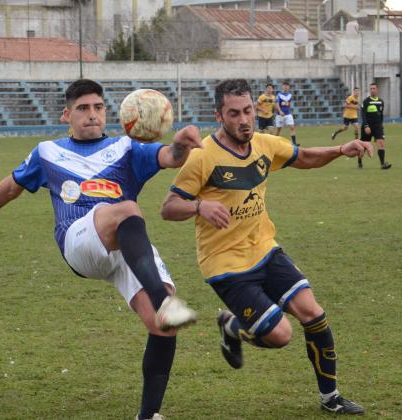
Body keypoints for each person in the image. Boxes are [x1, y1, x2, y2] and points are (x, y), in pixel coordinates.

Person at [0, 79, 201, 420]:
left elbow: (170, 156)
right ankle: (164, 300)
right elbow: (11, 187)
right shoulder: (48, 151)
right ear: (67, 114)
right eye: (83, 108)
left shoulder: (127, 147)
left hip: (127, 247)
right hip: (78, 239)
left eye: (98, 107)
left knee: (163, 326)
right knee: (128, 210)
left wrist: (180, 144)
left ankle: (148, 415)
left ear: (107, 112)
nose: (92, 115)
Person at [161, 79, 370, 415]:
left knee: (314, 315)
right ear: (219, 116)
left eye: (247, 111)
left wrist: (338, 150)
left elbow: (303, 158)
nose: (244, 119)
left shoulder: (263, 144)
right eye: (234, 113)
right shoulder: (202, 157)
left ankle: (330, 398)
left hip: (264, 248)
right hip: (225, 264)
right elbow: (168, 208)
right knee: (281, 335)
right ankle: (232, 325)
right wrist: (200, 207)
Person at [360, 83, 391, 170]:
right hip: (368, 127)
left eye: (374, 88)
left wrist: (381, 126)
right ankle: (360, 162)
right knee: (363, 147)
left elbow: (380, 115)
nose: (372, 90)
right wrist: (366, 126)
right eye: (371, 89)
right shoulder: (366, 101)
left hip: (377, 126)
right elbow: (363, 114)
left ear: (377, 90)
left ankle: (382, 164)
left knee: (381, 143)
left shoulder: (381, 102)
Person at [275, 81, 298, 146]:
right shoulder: (279, 94)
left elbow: (288, 104)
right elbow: (277, 104)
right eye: (284, 85)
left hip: (288, 114)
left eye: (287, 86)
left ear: (289, 87)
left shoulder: (290, 95)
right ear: (282, 86)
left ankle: (294, 143)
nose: (286, 87)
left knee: (292, 127)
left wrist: (288, 109)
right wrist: (280, 111)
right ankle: (275, 142)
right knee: (278, 129)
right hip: (280, 115)